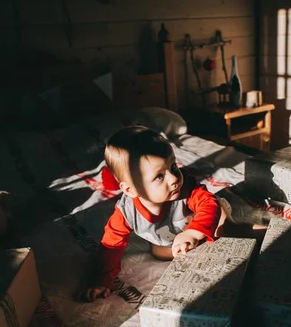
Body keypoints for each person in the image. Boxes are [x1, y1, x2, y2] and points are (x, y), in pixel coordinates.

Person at [81, 126, 222, 301]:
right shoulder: (126, 213)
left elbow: (209, 204)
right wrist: (102, 279)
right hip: (170, 237)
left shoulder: (186, 189)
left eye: (172, 166)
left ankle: (260, 231)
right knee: (159, 252)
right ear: (130, 189)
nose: (174, 178)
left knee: (222, 231)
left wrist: (194, 232)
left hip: (205, 220)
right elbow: (111, 246)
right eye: (159, 176)